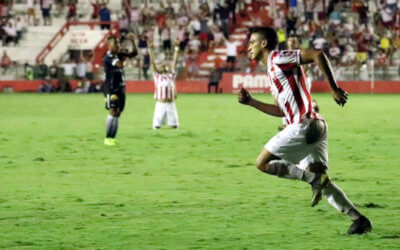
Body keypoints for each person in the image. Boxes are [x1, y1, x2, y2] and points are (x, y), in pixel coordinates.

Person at [238, 26, 372, 234]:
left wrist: (333, 88)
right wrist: (252, 102)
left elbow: (317, 54)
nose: (248, 47)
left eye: (252, 42)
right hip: (317, 127)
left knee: (262, 163)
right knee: (324, 184)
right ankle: (359, 219)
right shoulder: (273, 72)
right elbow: (280, 110)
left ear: (263, 44)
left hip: (303, 125)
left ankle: (313, 180)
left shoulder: (277, 58)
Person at [102, 33, 137, 146]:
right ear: (109, 46)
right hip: (111, 89)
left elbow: (135, 53)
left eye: (117, 43)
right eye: (114, 44)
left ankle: (112, 138)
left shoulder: (119, 54)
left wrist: (132, 41)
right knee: (112, 111)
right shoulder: (108, 57)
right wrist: (125, 59)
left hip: (121, 87)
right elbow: (120, 65)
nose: (117, 45)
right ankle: (107, 137)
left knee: (118, 113)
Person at [148, 38, 180, 130]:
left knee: (175, 126)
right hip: (160, 103)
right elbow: (152, 63)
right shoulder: (157, 76)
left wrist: (177, 48)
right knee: (156, 126)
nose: (164, 66)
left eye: (166, 65)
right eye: (162, 64)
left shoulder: (171, 75)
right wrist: (150, 50)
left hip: (170, 103)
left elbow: (175, 61)